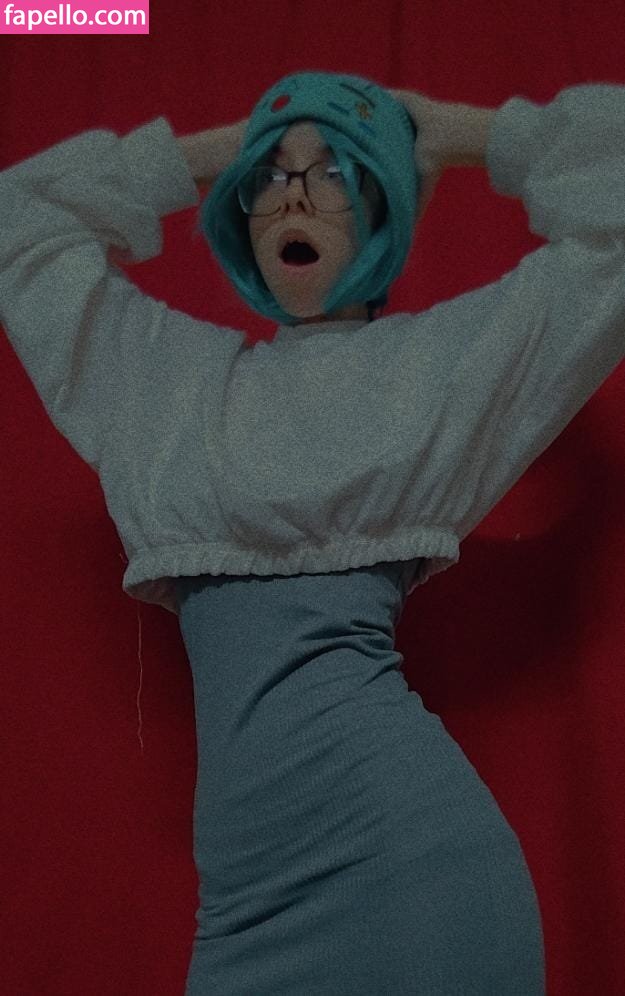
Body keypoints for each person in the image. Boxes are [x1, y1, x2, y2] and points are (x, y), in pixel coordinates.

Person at [3, 67, 625, 992]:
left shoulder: (439, 367)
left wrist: (462, 134)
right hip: (245, 905)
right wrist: (226, 149)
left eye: (333, 171)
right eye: (271, 178)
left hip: (412, 872)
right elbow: (17, 219)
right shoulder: (166, 384)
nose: (293, 194)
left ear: (381, 207)